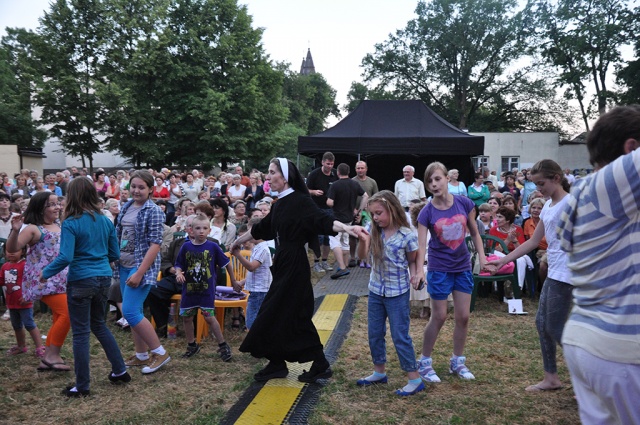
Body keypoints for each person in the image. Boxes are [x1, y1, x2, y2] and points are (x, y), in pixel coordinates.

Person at [231, 157, 368, 383]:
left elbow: (323, 220)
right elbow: (261, 229)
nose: (268, 177)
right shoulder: (280, 203)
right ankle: (277, 363)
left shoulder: (300, 201)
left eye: (272, 172)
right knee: (278, 313)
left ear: (285, 177)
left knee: (289, 314)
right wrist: (237, 241)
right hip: (283, 263)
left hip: (294, 264)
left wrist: (348, 228)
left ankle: (319, 364)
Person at [557, 105, 640, 424]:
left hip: (586, 340)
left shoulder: (583, 194)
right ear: (632, 149)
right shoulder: (611, 185)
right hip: (621, 347)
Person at [486, 159, 571, 393]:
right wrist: (503, 260)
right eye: (536, 184)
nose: (538, 189)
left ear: (556, 178)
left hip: (569, 274)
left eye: (541, 184)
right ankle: (551, 377)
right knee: (543, 324)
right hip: (556, 271)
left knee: (555, 328)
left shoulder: (571, 204)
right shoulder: (549, 205)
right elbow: (534, 241)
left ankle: (589, 376)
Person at [41, 177, 129, 397]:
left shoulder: (71, 222)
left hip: (81, 279)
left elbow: (66, 257)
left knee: (80, 333)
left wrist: (45, 274)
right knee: (99, 325)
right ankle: (120, 370)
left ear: (72, 196)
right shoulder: (105, 221)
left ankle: (82, 386)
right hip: (103, 278)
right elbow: (115, 254)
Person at [413, 162, 487, 383]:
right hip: (439, 269)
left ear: (447, 178)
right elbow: (421, 245)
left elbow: (475, 233)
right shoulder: (426, 212)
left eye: (437, 179)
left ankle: (457, 361)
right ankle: (424, 361)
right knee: (439, 316)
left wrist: (483, 257)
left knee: (463, 316)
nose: (434, 184)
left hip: (462, 266)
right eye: (429, 181)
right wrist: (419, 270)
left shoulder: (464, 203)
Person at [355, 191, 424, 396]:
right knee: (375, 333)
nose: (375, 218)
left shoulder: (407, 235)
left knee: (400, 335)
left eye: (379, 213)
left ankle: (414, 379)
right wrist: (363, 241)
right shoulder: (372, 230)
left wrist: (415, 275)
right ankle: (379, 372)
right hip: (376, 290)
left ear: (392, 210)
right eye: (373, 214)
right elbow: (362, 258)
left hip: (397, 292)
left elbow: (412, 260)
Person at [7, 191, 71, 372]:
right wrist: (15, 230)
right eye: (52, 204)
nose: (57, 207)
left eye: (57, 203)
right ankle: (52, 355)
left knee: (59, 316)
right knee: (67, 313)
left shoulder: (59, 225)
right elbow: (13, 248)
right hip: (44, 281)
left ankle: (48, 356)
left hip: (61, 280)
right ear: (41, 208)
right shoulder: (33, 229)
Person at [115, 170, 170, 374]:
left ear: (150, 190)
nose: (136, 191)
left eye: (141, 187)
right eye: (133, 186)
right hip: (123, 264)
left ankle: (160, 352)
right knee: (134, 311)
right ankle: (141, 355)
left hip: (140, 267)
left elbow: (155, 244)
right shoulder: (127, 206)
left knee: (129, 311)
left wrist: (139, 272)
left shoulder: (153, 211)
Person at [174, 214, 235, 361]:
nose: (201, 231)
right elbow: (178, 264)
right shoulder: (186, 247)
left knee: (209, 317)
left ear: (209, 230)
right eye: (198, 228)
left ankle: (223, 345)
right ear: (191, 230)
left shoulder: (213, 246)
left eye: (204, 228)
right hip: (189, 290)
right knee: (187, 317)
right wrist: (178, 273)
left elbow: (226, 263)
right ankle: (191, 345)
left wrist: (233, 281)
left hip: (206, 290)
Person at [1, 245, 45, 358]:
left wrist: (29, 296)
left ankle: (40, 347)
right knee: (16, 326)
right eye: (9, 250)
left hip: (25, 303)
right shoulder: (5, 266)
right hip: (11, 303)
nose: (11, 253)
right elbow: (2, 281)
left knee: (29, 324)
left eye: (15, 250)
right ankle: (21, 346)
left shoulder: (25, 265)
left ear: (23, 251)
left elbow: (33, 280)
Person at [326, 163, 368, 279]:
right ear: (349, 172)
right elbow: (365, 196)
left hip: (337, 218)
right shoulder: (354, 184)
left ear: (338, 172)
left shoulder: (335, 185)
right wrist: (359, 211)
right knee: (345, 241)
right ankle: (344, 265)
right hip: (349, 218)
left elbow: (330, 202)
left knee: (334, 241)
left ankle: (342, 267)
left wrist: (331, 202)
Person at [231, 217, 272, 330]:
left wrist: (238, 255)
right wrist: (242, 282)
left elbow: (252, 267)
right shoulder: (257, 247)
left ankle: (256, 339)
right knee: (253, 319)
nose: (247, 236)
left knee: (252, 321)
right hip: (257, 290)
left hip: (260, 291)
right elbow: (257, 273)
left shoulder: (263, 249)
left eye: (250, 232)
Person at [306, 152, 338, 273]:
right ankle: (316, 262)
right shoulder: (314, 174)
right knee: (318, 237)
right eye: (327, 164)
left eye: (331, 164)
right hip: (317, 208)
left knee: (327, 237)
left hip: (330, 210)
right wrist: (314, 192)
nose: (329, 166)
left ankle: (324, 261)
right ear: (323, 162)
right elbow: (305, 189)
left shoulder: (335, 174)